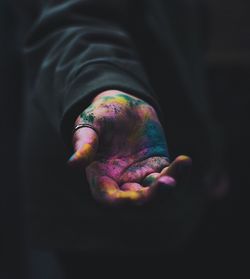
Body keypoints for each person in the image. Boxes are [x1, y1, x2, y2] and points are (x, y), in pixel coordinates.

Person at [19, 0, 223, 276]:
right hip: (101, 196)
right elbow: (75, 22)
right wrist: (104, 86)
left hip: (171, 179)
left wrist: (209, 150)